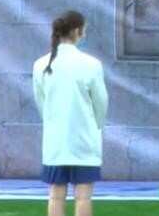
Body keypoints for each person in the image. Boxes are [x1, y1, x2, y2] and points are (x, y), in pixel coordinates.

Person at [33, 11, 108, 216]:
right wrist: (96, 126)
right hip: (84, 139)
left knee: (55, 195)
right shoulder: (91, 64)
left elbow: (41, 103)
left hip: (56, 140)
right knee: (83, 197)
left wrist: (53, 122)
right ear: (77, 31)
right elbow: (101, 104)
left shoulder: (40, 64)